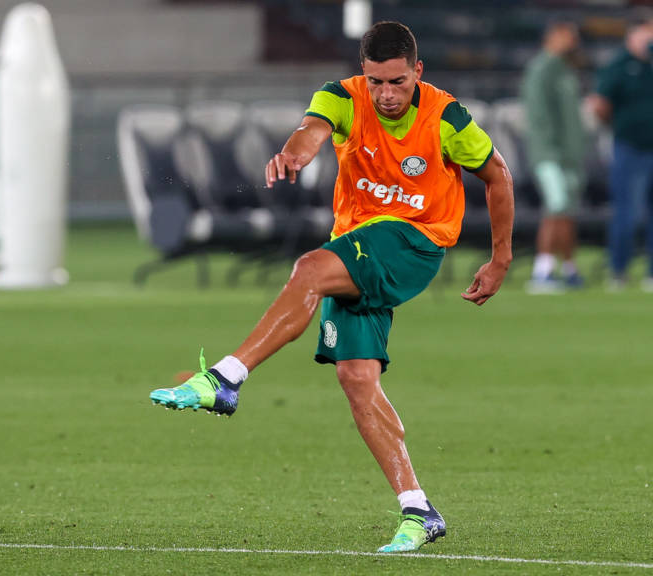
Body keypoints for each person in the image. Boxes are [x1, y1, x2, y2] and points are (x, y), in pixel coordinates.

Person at [149, 21, 514, 553]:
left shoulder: (446, 117)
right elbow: (312, 129)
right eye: (376, 82)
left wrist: (501, 259)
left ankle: (226, 378)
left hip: (414, 242)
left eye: (397, 82)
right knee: (357, 378)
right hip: (359, 244)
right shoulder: (342, 96)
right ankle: (419, 510)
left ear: (417, 72)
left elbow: (498, 174)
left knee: (309, 270)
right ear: (363, 74)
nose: (386, 95)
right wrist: (295, 153)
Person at [521, 20, 586, 293]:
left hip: (570, 154)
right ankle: (543, 270)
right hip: (549, 153)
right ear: (552, 36)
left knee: (567, 210)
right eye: (566, 34)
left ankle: (569, 268)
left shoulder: (566, 69)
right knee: (556, 205)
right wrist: (550, 151)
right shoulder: (541, 69)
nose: (572, 40)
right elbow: (539, 117)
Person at [589, 16, 653, 291]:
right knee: (627, 212)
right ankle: (618, 271)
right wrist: (621, 126)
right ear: (633, 35)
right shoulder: (618, 66)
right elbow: (599, 104)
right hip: (629, 147)